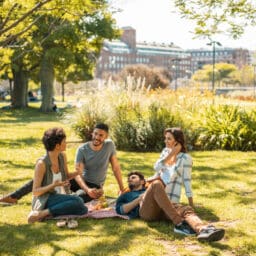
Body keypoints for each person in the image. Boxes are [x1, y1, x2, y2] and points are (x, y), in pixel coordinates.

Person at [0, 123, 125, 204]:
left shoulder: (109, 146)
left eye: (101, 135)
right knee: (42, 179)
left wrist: (121, 188)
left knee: (81, 197)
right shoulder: (82, 149)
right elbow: (77, 175)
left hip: (95, 184)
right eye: (95, 133)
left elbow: (116, 168)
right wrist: (86, 188)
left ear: (106, 136)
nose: (97, 137)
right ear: (92, 133)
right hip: (80, 181)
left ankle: (67, 198)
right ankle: (14, 197)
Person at [116, 171, 225, 242]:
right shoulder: (126, 195)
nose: (130, 180)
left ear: (142, 181)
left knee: (185, 209)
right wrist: (140, 198)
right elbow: (121, 210)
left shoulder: (148, 189)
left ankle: (203, 229)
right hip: (146, 212)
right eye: (129, 179)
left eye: (133, 177)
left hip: (163, 210)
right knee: (157, 184)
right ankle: (179, 223)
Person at [27, 127, 87, 224]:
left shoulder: (62, 156)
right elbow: (35, 192)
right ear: (57, 146)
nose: (66, 143)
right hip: (45, 199)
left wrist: (78, 172)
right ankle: (42, 213)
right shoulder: (42, 164)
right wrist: (53, 185)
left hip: (59, 196)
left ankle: (48, 212)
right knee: (79, 202)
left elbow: (66, 175)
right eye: (64, 141)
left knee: (83, 207)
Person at [150, 127, 194, 207]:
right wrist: (170, 155)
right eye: (165, 138)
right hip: (156, 183)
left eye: (169, 139)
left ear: (177, 141)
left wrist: (191, 204)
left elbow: (187, 181)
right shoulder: (166, 151)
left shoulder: (185, 158)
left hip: (168, 193)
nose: (165, 141)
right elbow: (156, 168)